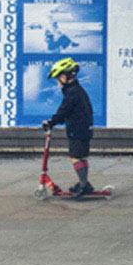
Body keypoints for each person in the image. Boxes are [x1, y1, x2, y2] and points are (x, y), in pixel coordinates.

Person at [41, 57, 96, 197]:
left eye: (58, 77)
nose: (57, 81)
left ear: (66, 76)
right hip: (83, 129)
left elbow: (63, 111)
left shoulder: (72, 93)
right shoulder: (75, 90)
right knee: (80, 156)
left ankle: (83, 186)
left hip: (78, 130)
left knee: (75, 157)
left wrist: (50, 122)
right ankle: (84, 183)